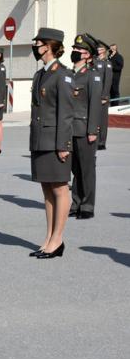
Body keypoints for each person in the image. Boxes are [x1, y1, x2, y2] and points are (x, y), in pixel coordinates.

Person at [28, 28, 74, 259]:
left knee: (59, 187)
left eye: (37, 43)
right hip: (40, 139)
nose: (35, 46)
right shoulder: (41, 74)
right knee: (47, 189)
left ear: (48, 45)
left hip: (56, 141)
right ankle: (49, 237)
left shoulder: (62, 75)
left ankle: (58, 239)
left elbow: (66, 113)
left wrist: (63, 144)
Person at [69, 34, 102, 220]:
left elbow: (95, 105)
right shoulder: (69, 74)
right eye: (73, 49)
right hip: (70, 129)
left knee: (87, 169)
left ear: (88, 55)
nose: (74, 52)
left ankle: (87, 205)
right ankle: (76, 202)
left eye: (78, 50)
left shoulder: (92, 77)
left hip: (84, 129)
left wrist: (92, 131)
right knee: (75, 169)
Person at [92, 39, 113, 150]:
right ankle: (94, 139)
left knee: (102, 120)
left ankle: (101, 142)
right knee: (94, 118)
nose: (99, 50)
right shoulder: (94, 61)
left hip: (102, 96)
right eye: (98, 48)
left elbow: (108, 81)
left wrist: (104, 96)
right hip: (94, 94)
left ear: (105, 50)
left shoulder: (107, 64)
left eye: (101, 48)